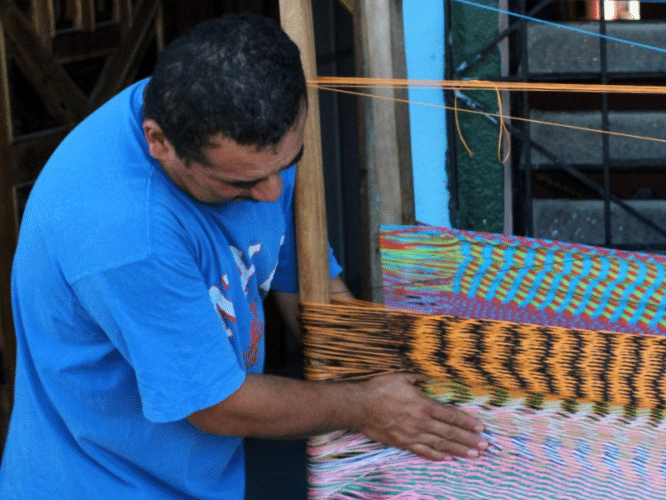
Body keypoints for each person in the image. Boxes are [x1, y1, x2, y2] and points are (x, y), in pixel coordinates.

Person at [0, 14, 487, 499]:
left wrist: (391, 377)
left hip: (200, 471)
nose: (272, 191)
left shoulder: (243, 123)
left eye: (287, 165)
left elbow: (309, 290)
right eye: (243, 183)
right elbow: (217, 405)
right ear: (158, 142)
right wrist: (365, 406)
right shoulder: (125, 236)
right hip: (103, 483)